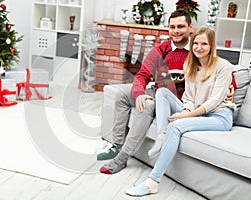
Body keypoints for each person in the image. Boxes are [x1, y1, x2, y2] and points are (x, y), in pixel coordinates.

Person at [98, 10, 235, 175]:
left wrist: (231, 85)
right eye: (172, 27)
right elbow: (142, 75)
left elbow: (217, 68)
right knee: (121, 94)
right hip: (159, 90)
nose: (176, 31)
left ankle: (124, 156)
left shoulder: (197, 49)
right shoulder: (160, 50)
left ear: (190, 27)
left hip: (177, 99)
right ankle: (117, 144)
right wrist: (139, 93)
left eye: (181, 26)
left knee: (146, 105)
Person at [125, 27, 236, 197]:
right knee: (162, 92)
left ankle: (152, 182)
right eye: (196, 43)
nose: (198, 47)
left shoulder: (223, 66)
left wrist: (185, 116)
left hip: (219, 116)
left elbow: (214, 102)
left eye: (204, 44)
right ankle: (161, 134)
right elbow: (189, 97)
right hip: (198, 111)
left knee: (176, 126)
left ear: (212, 45)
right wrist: (185, 109)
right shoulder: (189, 65)